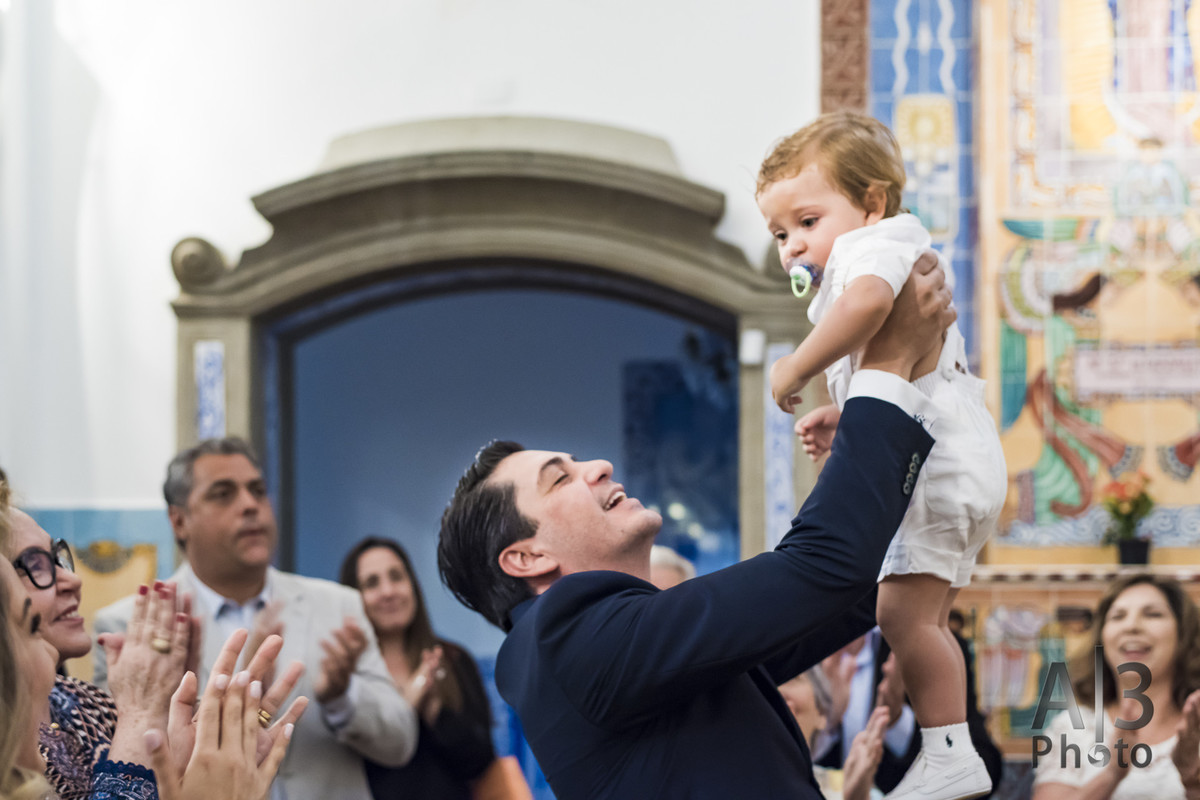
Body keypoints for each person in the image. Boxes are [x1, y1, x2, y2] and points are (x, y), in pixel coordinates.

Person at [437, 255, 954, 800]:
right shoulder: (562, 638)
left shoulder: (621, 654)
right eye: (559, 479)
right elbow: (820, 567)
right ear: (526, 558)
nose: (598, 468)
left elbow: (839, 597)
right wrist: (889, 366)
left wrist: (889, 450)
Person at [757, 110, 1007, 800]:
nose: (792, 248)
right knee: (921, 619)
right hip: (952, 456)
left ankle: (951, 755)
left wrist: (795, 368)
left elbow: (868, 308)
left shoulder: (872, 250)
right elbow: (908, 374)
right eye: (779, 234)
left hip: (938, 467)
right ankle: (945, 749)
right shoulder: (881, 246)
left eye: (807, 222)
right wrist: (847, 415)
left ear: (871, 202)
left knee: (901, 617)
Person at [92, 438, 418, 800]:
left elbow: (401, 744)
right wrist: (186, 702)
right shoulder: (130, 628)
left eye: (258, 491)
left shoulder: (338, 607)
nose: (250, 505)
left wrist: (343, 698)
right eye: (223, 494)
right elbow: (121, 772)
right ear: (179, 521)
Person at [338, 536, 495, 800]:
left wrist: (434, 708)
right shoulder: (344, 674)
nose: (388, 591)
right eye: (372, 583)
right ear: (353, 597)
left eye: (396, 576)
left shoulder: (453, 659)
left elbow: (480, 761)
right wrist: (405, 706)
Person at [1032, 573, 1200, 800]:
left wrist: (1193, 784)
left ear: (1183, 634)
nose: (1131, 626)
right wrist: (1111, 774)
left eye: (1153, 614)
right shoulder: (1072, 729)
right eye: (1118, 616)